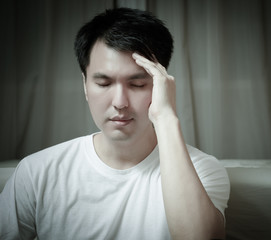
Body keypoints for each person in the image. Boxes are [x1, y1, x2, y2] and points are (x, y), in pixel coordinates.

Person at [0, 7, 230, 240]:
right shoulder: (36, 173)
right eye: (103, 83)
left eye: (137, 85)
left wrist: (166, 118)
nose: (120, 102)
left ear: (161, 85)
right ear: (85, 85)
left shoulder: (202, 171)